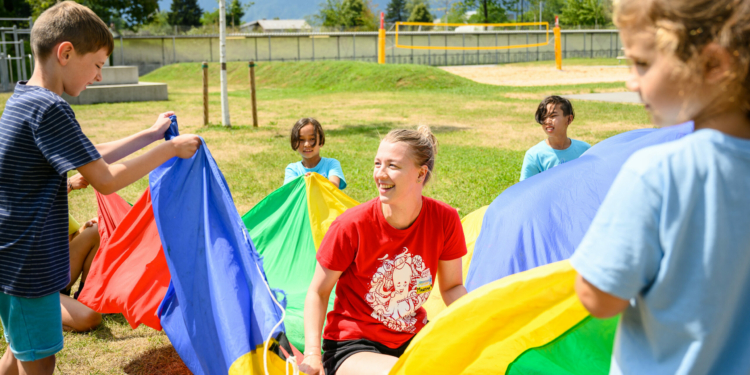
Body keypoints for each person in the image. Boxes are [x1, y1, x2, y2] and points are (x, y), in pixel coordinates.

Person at [0, 2, 201, 374]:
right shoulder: (49, 109)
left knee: (18, 352)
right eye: (97, 66)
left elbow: (89, 154)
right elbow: (105, 178)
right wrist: (168, 149)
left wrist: (150, 134)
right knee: (39, 362)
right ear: (66, 53)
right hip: (29, 269)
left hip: (14, 262)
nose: (97, 77)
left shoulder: (26, 100)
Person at [570, 0, 750, 373]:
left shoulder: (657, 173)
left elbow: (598, 297)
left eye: (642, 64)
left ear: (713, 64)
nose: (630, 81)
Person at [300, 126, 468, 375]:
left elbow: (452, 287)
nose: (380, 174)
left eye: (393, 166)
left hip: (412, 339)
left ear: (421, 173)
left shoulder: (445, 219)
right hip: (353, 345)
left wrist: (478, 323)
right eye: (377, 164)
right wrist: (313, 353)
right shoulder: (351, 225)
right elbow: (318, 291)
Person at [61, 174, 102, 332]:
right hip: (30, 289)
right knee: (91, 318)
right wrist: (68, 185)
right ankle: (33, 317)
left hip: (52, 276)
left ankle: (85, 297)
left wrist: (83, 230)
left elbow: (69, 241)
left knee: (95, 230)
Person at [519, 96, 591, 181]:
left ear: (569, 119)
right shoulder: (534, 155)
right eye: (544, 116)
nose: (547, 121)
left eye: (553, 116)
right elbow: (526, 189)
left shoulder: (585, 150)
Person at [284, 118, 347, 189]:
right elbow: (289, 191)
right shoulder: (293, 169)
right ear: (295, 143)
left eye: (312, 139)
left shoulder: (331, 164)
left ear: (321, 141)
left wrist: (315, 180)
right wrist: (305, 181)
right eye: (301, 140)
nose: (307, 144)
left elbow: (334, 186)